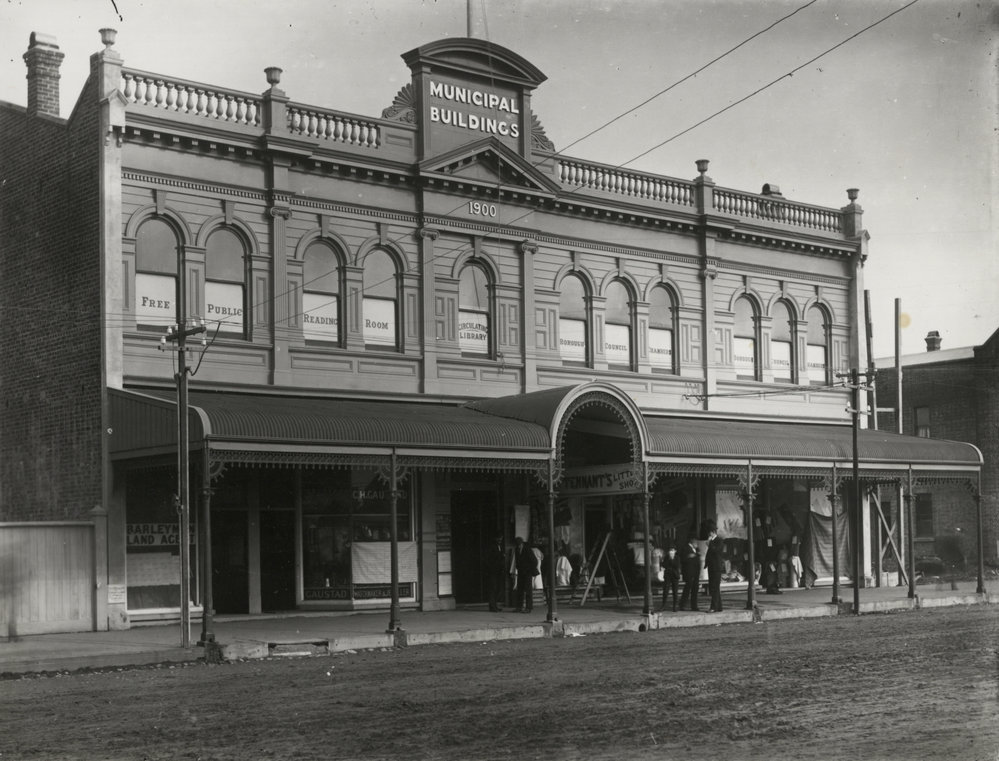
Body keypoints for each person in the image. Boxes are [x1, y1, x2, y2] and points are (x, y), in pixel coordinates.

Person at [512, 536, 539, 613]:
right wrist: (518, 567)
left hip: (527, 572)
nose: (519, 546)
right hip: (521, 571)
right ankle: (519, 607)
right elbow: (517, 560)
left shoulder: (527, 549)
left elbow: (535, 561)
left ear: (522, 544)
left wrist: (529, 569)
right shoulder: (517, 550)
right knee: (520, 590)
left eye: (519, 545)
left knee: (528, 590)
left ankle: (528, 607)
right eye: (517, 545)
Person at [678, 535, 701, 611]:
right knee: (687, 588)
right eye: (696, 541)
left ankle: (694, 606)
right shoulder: (685, 548)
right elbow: (682, 559)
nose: (697, 543)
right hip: (689, 572)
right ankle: (682, 604)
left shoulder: (696, 549)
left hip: (696, 572)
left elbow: (698, 558)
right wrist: (689, 556)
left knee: (695, 589)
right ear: (692, 541)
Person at [485, 533, 506, 612]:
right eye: (499, 538)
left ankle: (494, 605)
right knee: (493, 588)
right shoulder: (491, 546)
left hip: (499, 571)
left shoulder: (500, 546)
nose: (500, 540)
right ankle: (492, 606)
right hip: (493, 571)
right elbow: (489, 558)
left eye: (501, 538)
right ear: (495, 538)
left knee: (497, 589)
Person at [705, 526, 723, 612]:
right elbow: (708, 554)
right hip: (711, 567)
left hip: (716, 567)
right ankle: (719, 606)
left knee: (715, 587)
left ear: (713, 532)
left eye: (709, 532)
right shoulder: (712, 541)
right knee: (714, 587)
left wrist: (710, 543)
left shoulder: (719, 540)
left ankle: (713, 607)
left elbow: (715, 551)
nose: (709, 534)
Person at [660, 544, 681, 611]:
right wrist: (669, 559)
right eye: (670, 550)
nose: (671, 552)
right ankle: (663, 605)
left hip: (675, 575)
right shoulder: (666, 557)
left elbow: (676, 566)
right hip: (668, 575)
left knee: (675, 591)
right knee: (665, 591)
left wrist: (672, 559)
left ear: (675, 551)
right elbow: (664, 565)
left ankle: (675, 606)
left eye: (672, 550)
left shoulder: (677, 558)